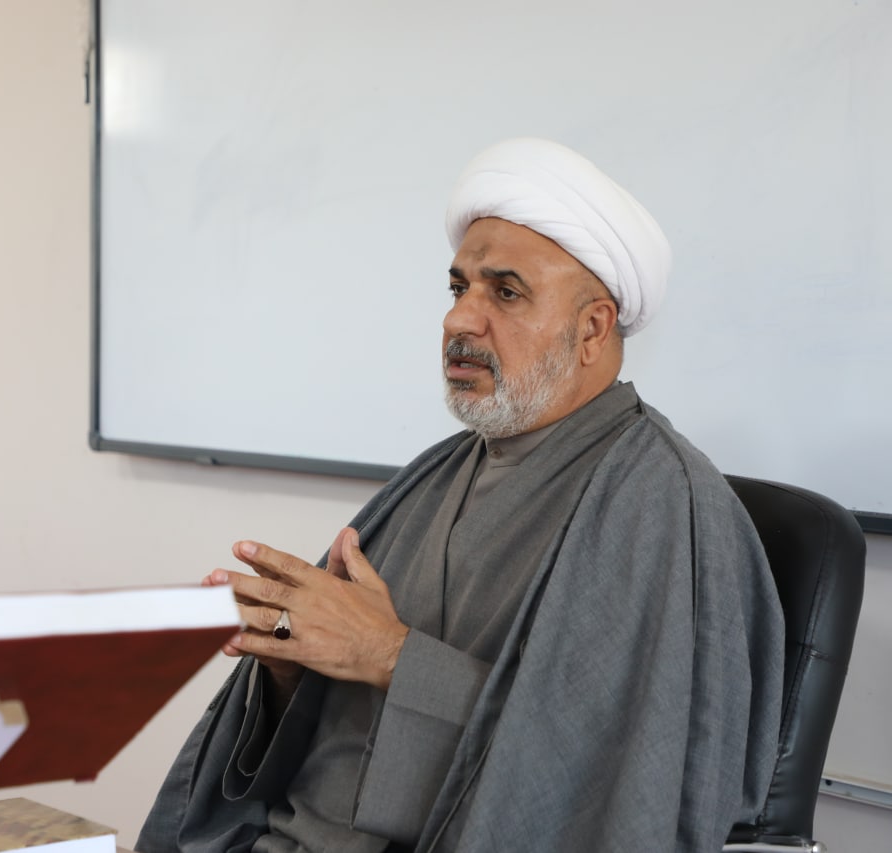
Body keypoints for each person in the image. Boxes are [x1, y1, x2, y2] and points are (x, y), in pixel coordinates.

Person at [138, 138, 784, 852]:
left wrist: (389, 654)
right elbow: (332, 731)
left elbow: (618, 779)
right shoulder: (433, 476)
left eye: (505, 292)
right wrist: (291, 667)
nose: (460, 321)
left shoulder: (664, 506)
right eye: (459, 289)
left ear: (593, 328)